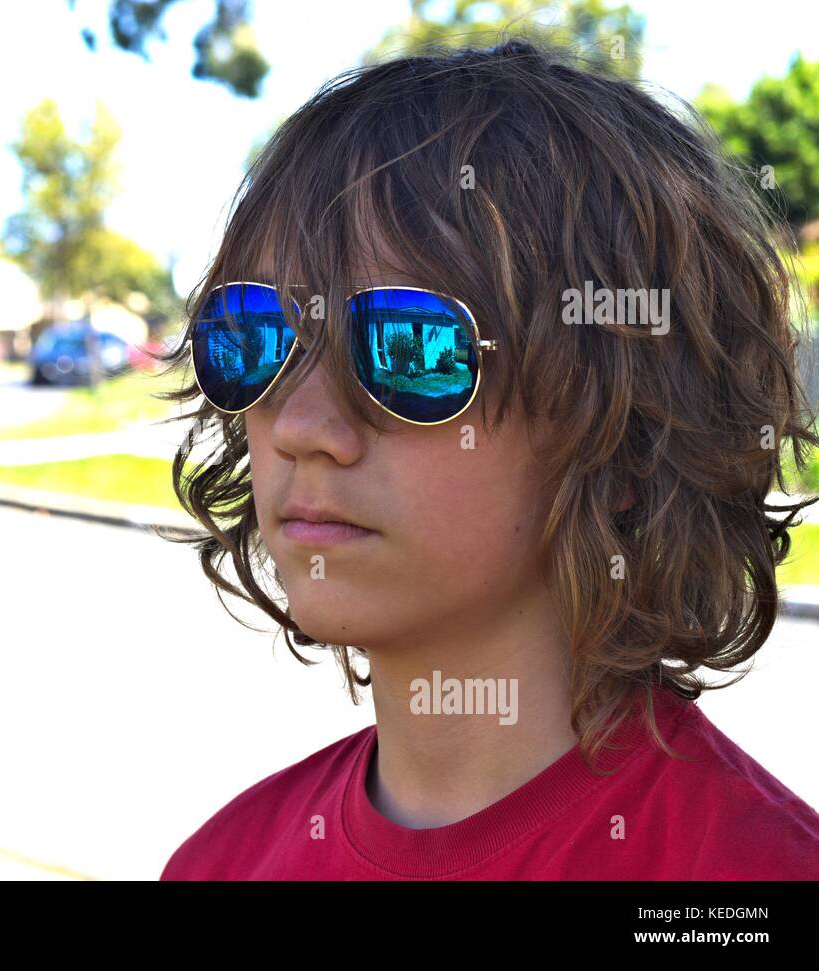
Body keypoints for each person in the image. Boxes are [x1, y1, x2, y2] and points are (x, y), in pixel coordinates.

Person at [153, 38, 819, 880]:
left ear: (629, 435)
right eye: (252, 335)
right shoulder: (220, 863)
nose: (302, 425)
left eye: (410, 345)